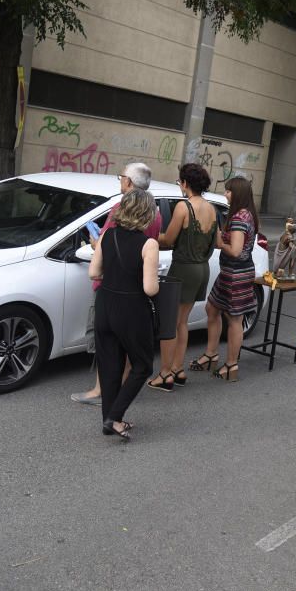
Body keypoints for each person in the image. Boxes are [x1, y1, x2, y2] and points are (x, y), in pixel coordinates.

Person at [71, 163, 162, 406]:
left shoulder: (118, 211)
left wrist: (94, 243)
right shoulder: (156, 213)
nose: (120, 181)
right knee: (131, 348)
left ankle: (102, 392)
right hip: (136, 294)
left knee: (107, 347)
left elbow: (100, 257)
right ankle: (120, 393)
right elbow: (149, 274)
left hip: (110, 290)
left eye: (122, 177)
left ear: (129, 183)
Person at [89, 189, 160, 440]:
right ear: (147, 214)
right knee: (142, 366)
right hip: (132, 309)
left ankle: (111, 421)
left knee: (110, 366)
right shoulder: (149, 244)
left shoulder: (107, 235)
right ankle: (114, 416)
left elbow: (93, 272)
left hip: (106, 303)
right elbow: (150, 288)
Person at [148, 163, 218, 390]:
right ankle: (178, 369)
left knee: (170, 323)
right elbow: (215, 241)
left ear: (186, 183)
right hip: (201, 268)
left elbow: (168, 240)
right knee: (182, 322)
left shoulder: (183, 207)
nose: (179, 185)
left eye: (180, 181)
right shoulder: (211, 208)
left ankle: (166, 373)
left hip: (184, 268)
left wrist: (147, 235)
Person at [201, 176, 259, 382]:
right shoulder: (246, 214)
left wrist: (219, 241)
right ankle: (211, 354)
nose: (225, 194)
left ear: (238, 194)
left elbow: (235, 250)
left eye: (228, 190)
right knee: (212, 308)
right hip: (232, 272)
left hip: (237, 273)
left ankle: (231, 365)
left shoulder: (239, 218)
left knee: (235, 319)